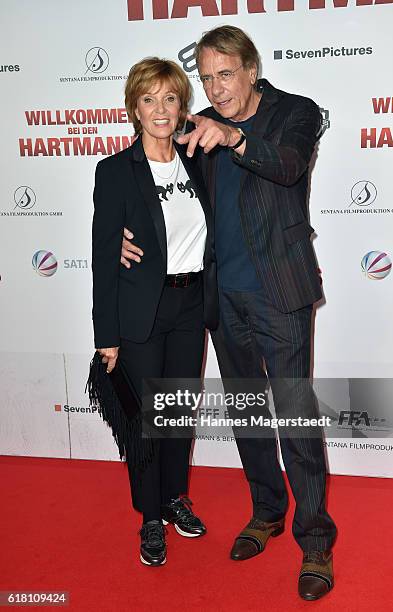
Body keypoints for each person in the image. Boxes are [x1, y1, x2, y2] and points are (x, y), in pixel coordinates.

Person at [120, 27, 337, 599]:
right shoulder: (194, 131)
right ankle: (266, 511)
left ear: (250, 69)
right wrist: (123, 233)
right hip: (222, 300)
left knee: (293, 414)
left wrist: (234, 138)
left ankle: (314, 539)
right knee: (248, 417)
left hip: (279, 293)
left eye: (226, 74)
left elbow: (287, 165)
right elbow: (160, 186)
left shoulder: (295, 112)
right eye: (207, 77)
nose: (216, 89)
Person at [91, 57, 218, 567]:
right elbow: (104, 258)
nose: (161, 109)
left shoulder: (199, 160)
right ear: (135, 109)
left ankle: (173, 499)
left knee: (178, 412)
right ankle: (149, 517)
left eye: (170, 98)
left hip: (192, 305)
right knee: (147, 421)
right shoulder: (115, 172)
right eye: (149, 100)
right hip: (142, 309)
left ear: (181, 105)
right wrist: (107, 335)